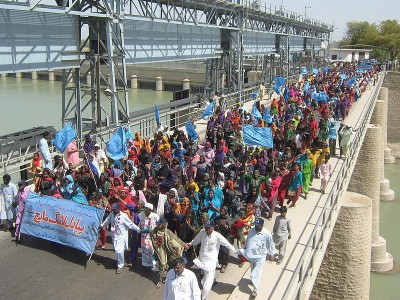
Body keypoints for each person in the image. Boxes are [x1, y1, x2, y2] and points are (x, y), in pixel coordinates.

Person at [186, 219, 236, 300]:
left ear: (213, 228)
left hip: (211, 262)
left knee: (207, 284)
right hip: (202, 260)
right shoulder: (202, 232)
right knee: (205, 278)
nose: (206, 229)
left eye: (208, 228)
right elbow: (196, 240)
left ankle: (203, 297)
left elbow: (227, 243)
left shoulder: (217, 236)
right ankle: (212, 280)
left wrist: (236, 251)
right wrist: (190, 244)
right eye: (206, 227)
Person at [237, 218, 275, 298]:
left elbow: (271, 244)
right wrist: (244, 249)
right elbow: (248, 242)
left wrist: (272, 254)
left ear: (262, 225)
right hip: (251, 255)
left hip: (261, 256)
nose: (256, 227)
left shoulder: (266, 234)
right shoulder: (251, 231)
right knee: (253, 270)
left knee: (256, 273)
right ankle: (253, 281)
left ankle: (255, 290)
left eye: (258, 226)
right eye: (255, 225)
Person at [100, 203, 140, 274]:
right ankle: (120, 261)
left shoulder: (123, 216)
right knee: (116, 250)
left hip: (121, 236)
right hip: (114, 235)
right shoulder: (112, 214)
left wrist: (137, 229)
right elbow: (108, 220)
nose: (114, 211)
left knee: (119, 251)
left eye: (115, 210)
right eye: (113, 209)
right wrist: (103, 224)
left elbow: (130, 224)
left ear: (119, 209)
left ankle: (120, 266)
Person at [151, 217, 187, 288]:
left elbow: (175, 239)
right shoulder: (155, 230)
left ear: (164, 224)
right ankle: (159, 280)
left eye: (160, 224)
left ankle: (169, 278)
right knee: (162, 265)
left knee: (170, 264)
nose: (159, 225)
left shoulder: (167, 232)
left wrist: (183, 244)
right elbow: (150, 234)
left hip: (169, 250)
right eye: (158, 224)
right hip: (161, 251)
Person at [139, 202, 159, 269]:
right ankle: (147, 264)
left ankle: (152, 263)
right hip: (143, 237)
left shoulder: (155, 216)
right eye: (145, 209)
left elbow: (159, 225)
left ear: (150, 210)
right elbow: (139, 224)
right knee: (145, 250)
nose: (145, 211)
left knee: (151, 249)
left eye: (147, 209)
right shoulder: (141, 215)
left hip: (152, 236)